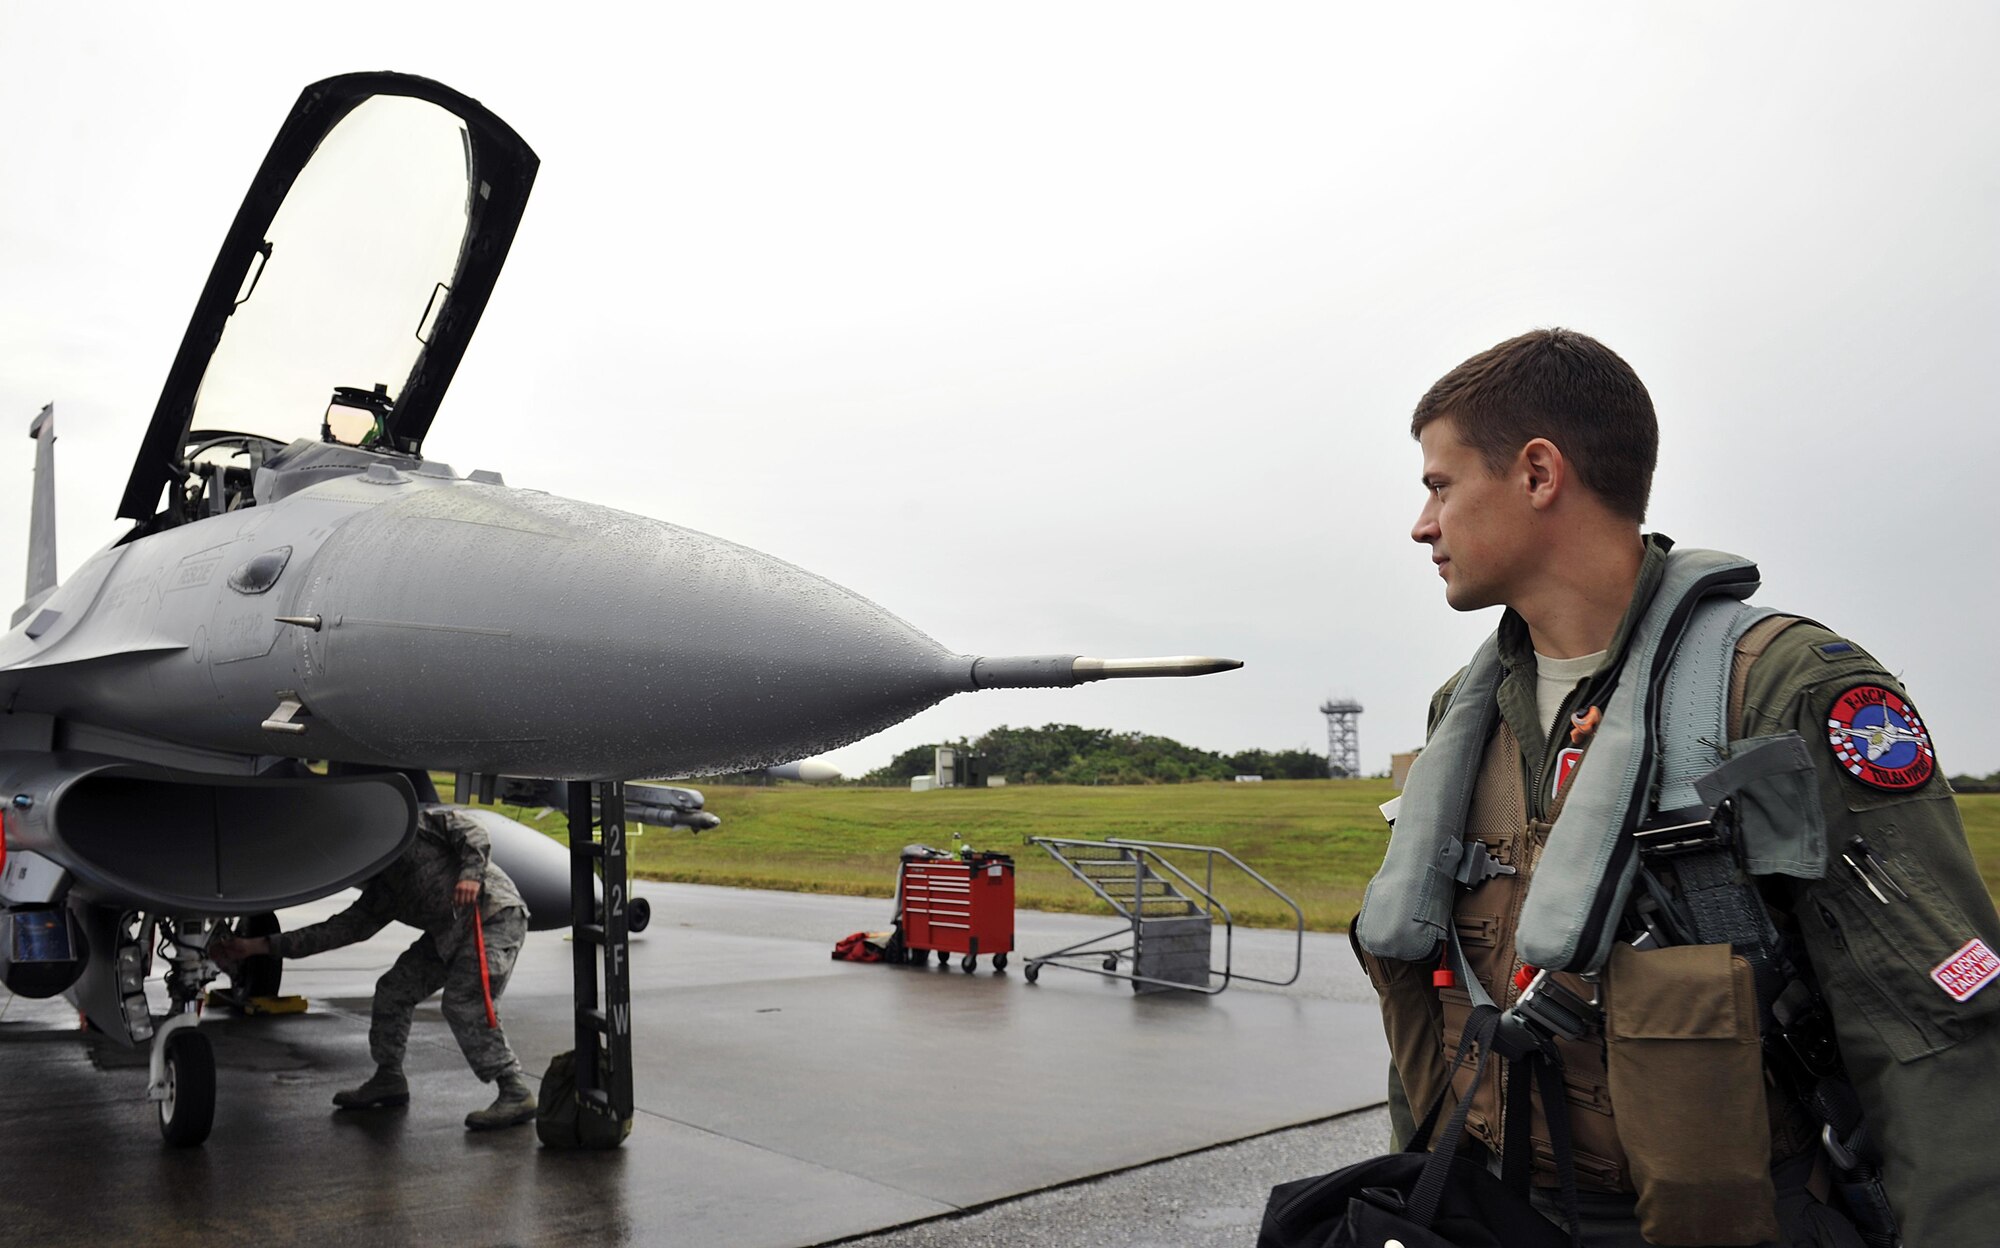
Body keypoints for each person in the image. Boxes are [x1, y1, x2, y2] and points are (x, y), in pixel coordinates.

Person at [1352, 329, 2000, 1247]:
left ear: (1539, 474)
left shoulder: (1778, 692)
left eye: (1439, 484)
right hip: (1485, 1209)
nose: (1424, 525)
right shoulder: (1465, 712)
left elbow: (1935, 1027)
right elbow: (1434, 987)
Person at [215, 804, 539, 1131]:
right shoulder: (384, 889)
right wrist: (255, 947)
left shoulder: (409, 825)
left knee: (462, 1003)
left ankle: (514, 1090)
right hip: (448, 934)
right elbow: (337, 931)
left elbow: (472, 830)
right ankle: (389, 1078)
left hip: (492, 915)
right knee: (393, 990)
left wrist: (471, 875)